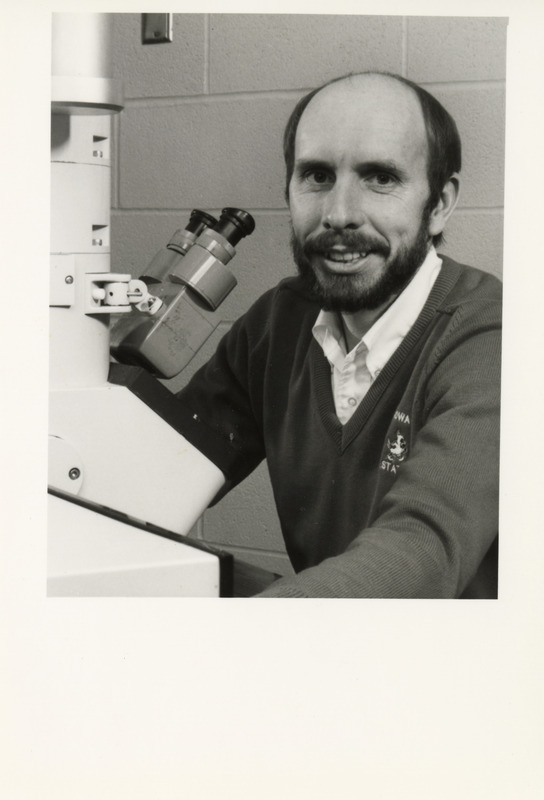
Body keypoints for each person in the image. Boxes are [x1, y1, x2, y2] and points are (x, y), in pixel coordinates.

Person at [176, 71, 502, 598]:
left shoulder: (492, 340)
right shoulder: (276, 324)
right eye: (318, 177)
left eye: (380, 178)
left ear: (439, 205)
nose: (340, 214)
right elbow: (166, 470)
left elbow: (421, 550)